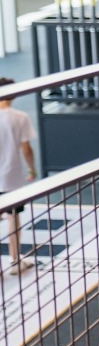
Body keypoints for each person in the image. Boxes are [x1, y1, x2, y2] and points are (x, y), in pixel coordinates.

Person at [0, 78, 38, 275]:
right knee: (13, 220)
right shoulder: (20, 117)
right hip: (11, 177)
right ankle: (15, 260)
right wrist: (32, 169)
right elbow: (26, 148)